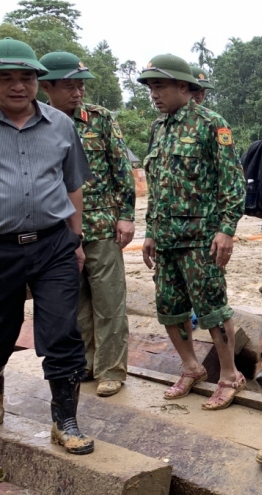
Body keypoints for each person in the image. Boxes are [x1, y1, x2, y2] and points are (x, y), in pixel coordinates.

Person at [0, 38, 94, 454]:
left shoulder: (61, 125)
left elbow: (73, 186)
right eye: (6, 78)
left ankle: (66, 422)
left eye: (27, 78)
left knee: (62, 333)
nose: (18, 86)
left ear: (38, 81)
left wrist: (75, 240)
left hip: (54, 244)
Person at [137, 54, 246, 410]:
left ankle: (230, 375)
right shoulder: (158, 127)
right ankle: (191, 367)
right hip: (166, 240)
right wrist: (151, 231)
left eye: (160, 86)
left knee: (213, 309)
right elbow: (157, 184)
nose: (154, 94)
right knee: (169, 307)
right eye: (151, 87)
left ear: (184, 87)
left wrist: (226, 230)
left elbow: (232, 183)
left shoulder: (211, 124)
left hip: (201, 239)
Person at [38, 51, 135, 398]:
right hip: (59, 229)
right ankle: (86, 364)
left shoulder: (100, 119)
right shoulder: (38, 121)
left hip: (102, 226)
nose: (77, 92)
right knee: (74, 305)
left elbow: (121, 169)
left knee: (109, 302)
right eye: (68, 86)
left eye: (80, 85)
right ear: (45, 86)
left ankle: (112, 369)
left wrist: (126, 215)